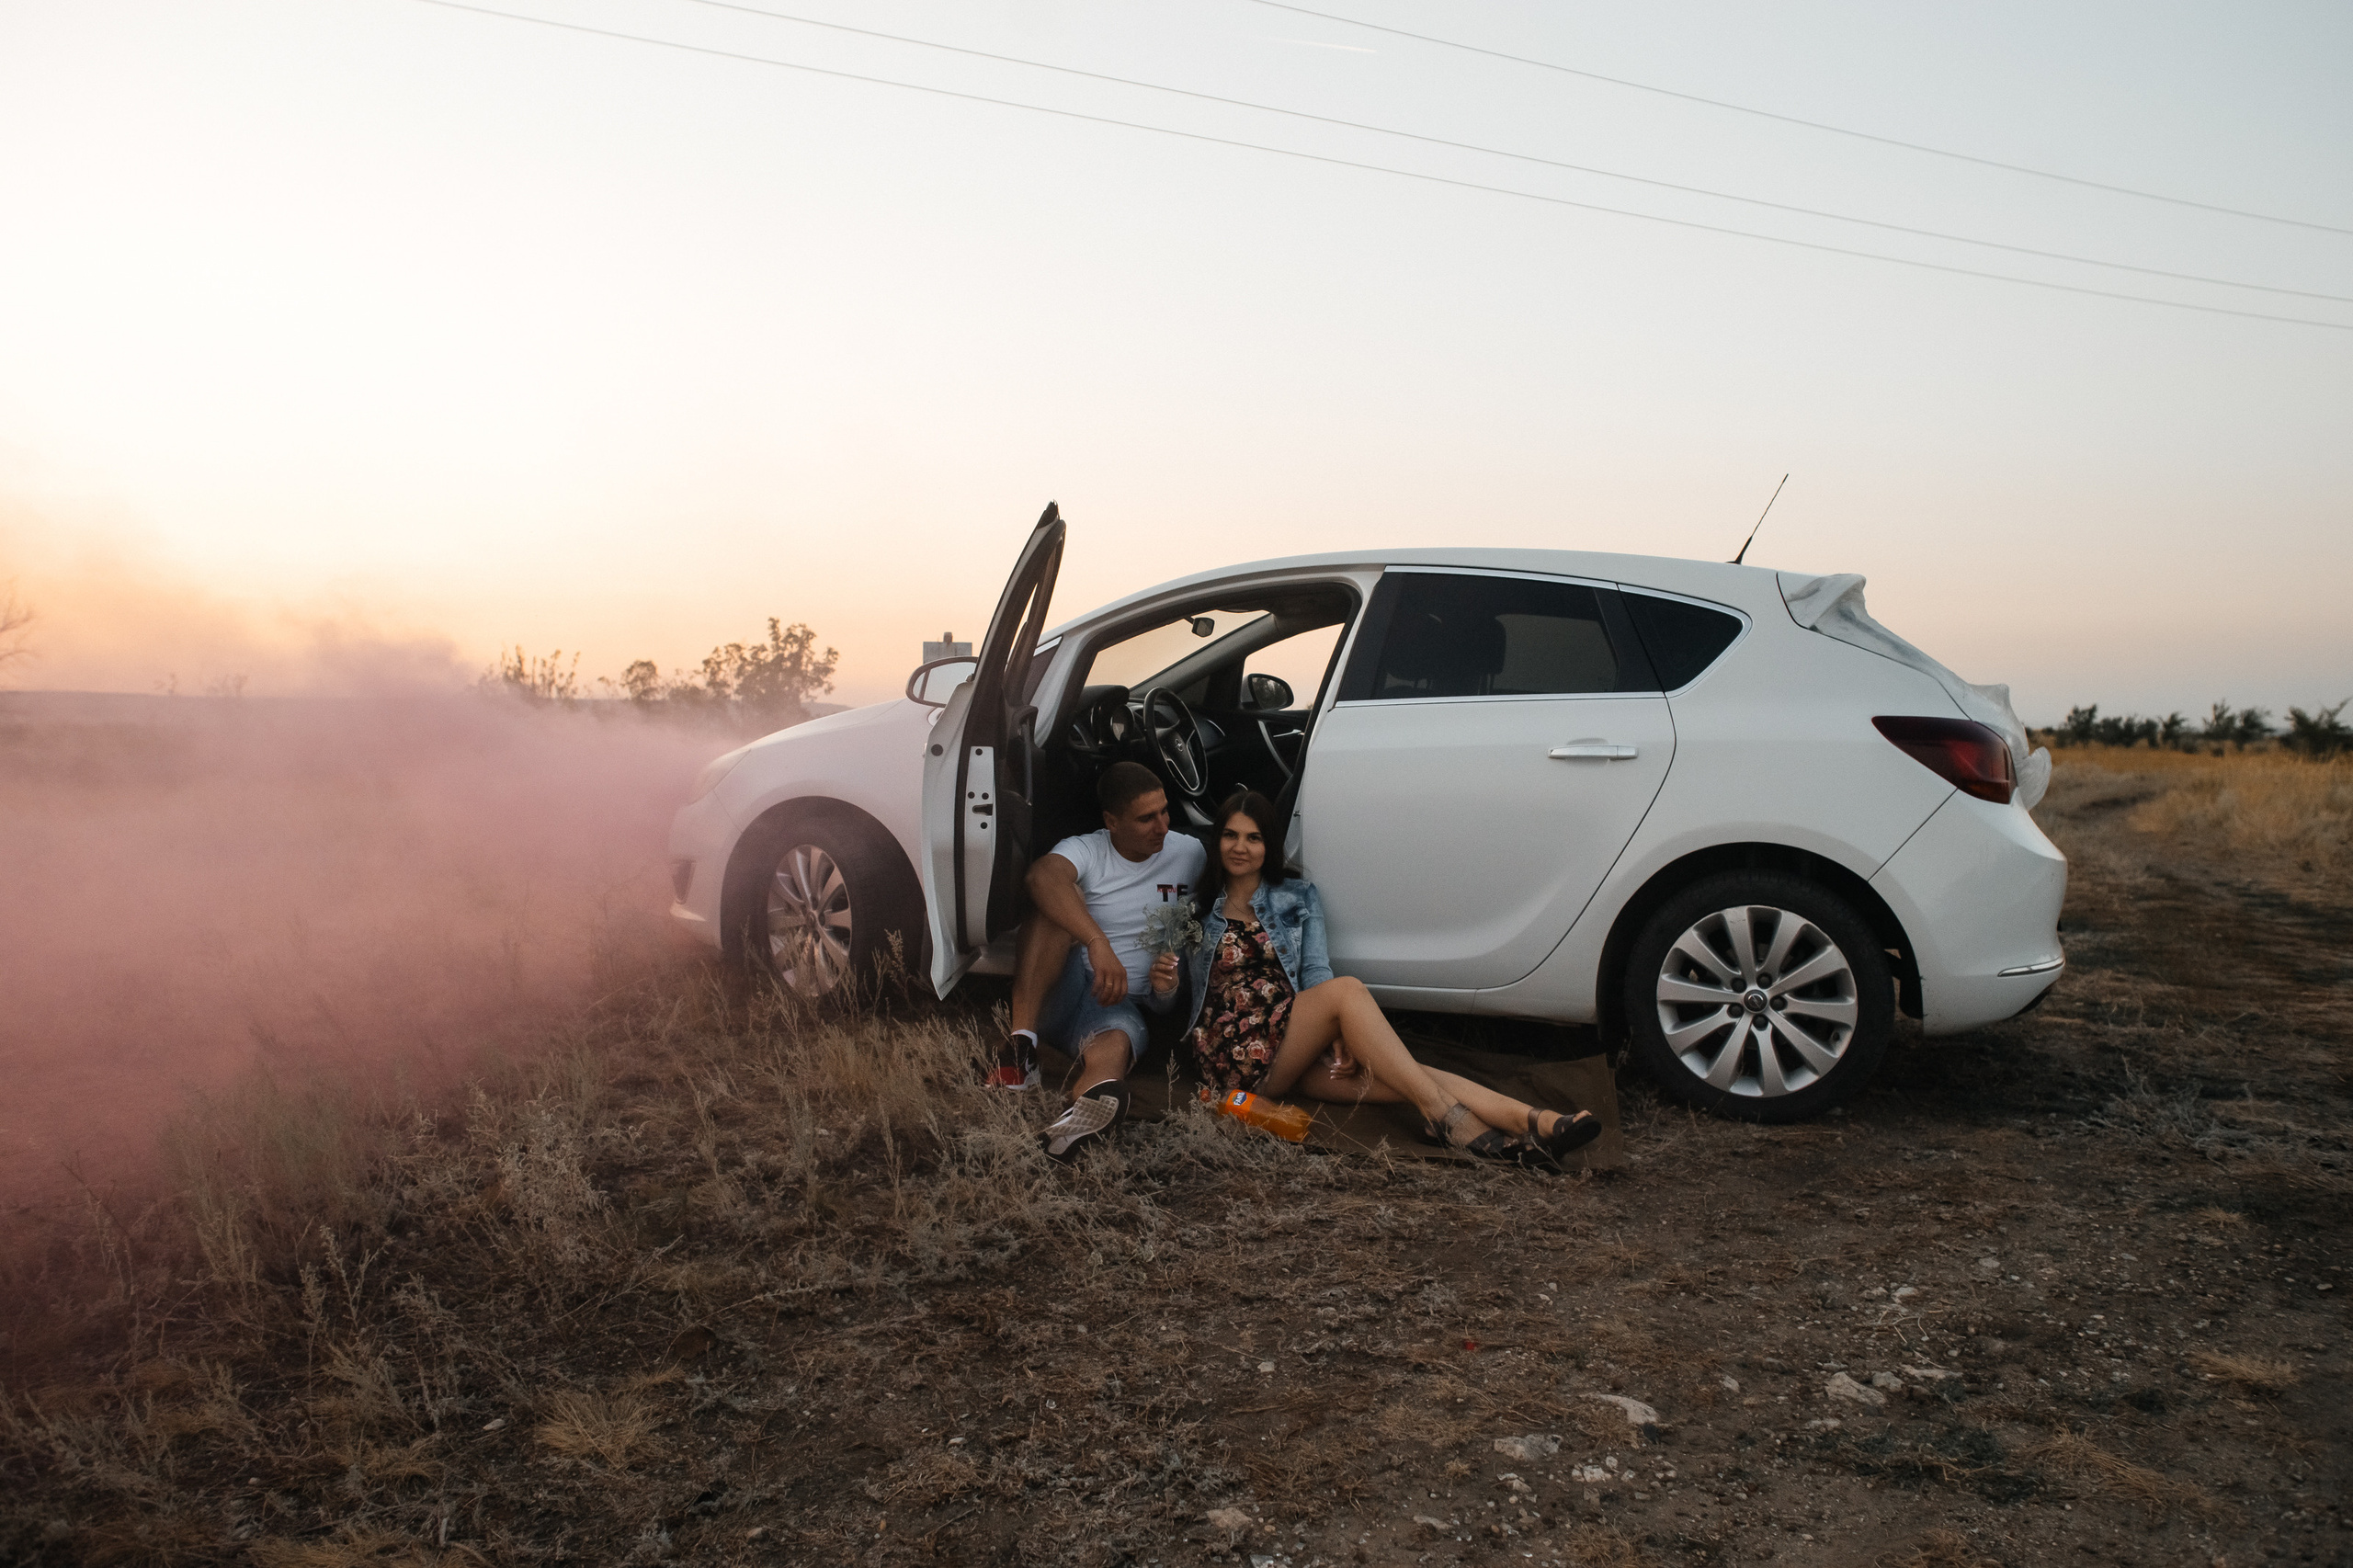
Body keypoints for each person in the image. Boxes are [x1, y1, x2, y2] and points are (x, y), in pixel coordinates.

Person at [1181, 790, 1601, 1169]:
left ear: (1268, 844)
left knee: (1409, 1076)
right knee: (1349, 991)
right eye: (1230, 836)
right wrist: (1164, 986)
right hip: (1234, 1054)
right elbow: (1171, 1001)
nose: (1240, 847)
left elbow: (1313, 972)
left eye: (1253, 838)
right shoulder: (1198, 909)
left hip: (1291, 1040)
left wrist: (1329, 1033)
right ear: (1216, 841)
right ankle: (1450, 1121)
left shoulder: (1298, 896)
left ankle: (1543, 1124)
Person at [992, 761, 1206, 1163]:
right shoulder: (1088, 848)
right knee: (1055, 906)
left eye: (1164, 812)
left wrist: (1170, 987)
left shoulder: (1189, 853)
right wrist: (1096, 941)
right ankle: (1021, 1048)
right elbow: (1042, 877)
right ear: (1111, 821)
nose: (1161, 826)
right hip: (1066, 986)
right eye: (1146, 818)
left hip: (1121, 1003)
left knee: (1116, 1045)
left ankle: (1082, 1113)